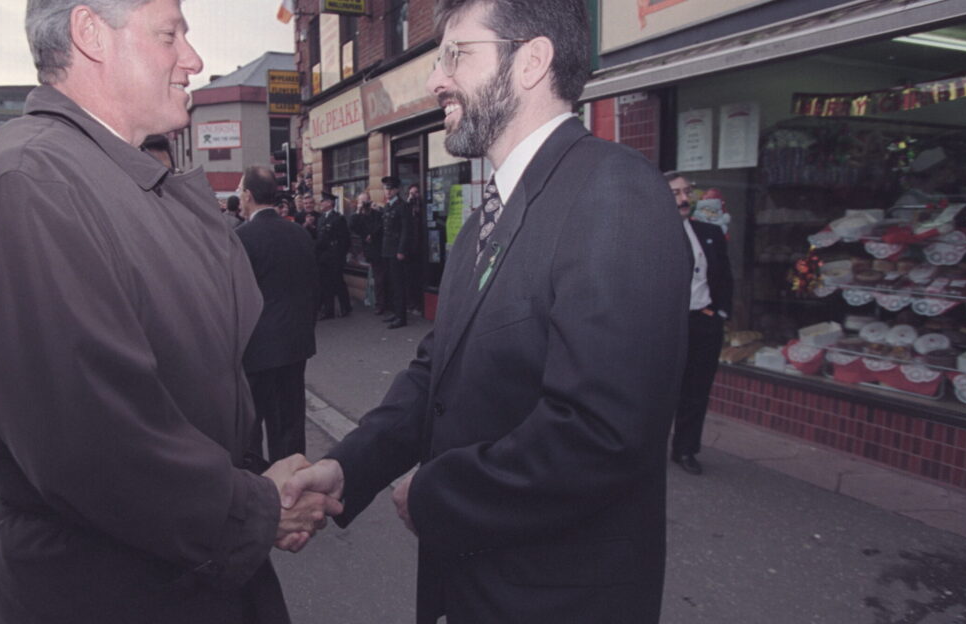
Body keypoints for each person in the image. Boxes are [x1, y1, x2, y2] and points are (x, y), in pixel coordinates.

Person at [0, 1, 340, 621]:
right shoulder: (27, 187)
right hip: (109, 593)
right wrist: (258, 506)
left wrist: (254, 480)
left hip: (177, 578)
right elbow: (95, 444)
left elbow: (188, 388)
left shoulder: (114, 179)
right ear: (90, 33)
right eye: (169, 34)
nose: (192, 59)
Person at [282, 0, 690, 622]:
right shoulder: (482, 222)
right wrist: (348, 465)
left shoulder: (616, 192)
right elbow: (436, 372)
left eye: (456, 55)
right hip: (469, 586)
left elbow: (601, 433)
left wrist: (438, 495)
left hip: (554, 597)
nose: (435, 79)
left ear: (532, 61)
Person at [235, 166, 318, 469]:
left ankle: (262, 493)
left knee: (251, 429)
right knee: (290, 426)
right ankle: (294, 490)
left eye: (240, 192)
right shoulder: (300, 233)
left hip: (255, 349)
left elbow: (236, 297)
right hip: (295, 345)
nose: (239, 200)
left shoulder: (241, 238)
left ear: (249, 195)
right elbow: (313, 287)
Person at [666, 171, 732, 476]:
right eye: (676, 192)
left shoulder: (709, 233)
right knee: (661, 391)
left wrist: (720, 315)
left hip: (703, 323)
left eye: (687, 192)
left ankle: (685, 449)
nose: (683, 199)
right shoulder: (649, 235)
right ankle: (647, 451)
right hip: (666, 327)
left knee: (696, 391)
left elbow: (724, 279)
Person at [379, 176, 411, 329]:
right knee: (391, 283)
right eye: (386, 188)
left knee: (398, 284)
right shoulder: (387, 206)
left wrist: (401, 250)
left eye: (391, 188)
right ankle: (395, 312)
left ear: (397, 190)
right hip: (387, 249)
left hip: (396, 250)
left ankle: (401, 317)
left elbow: (406, 230)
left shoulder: (402, 206)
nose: (388, 191)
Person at [314, 191, 351, 319]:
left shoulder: (338, 218)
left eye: (323, 201)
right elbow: (320, 237)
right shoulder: (321, 218)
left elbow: (345, 239)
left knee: (338, 282)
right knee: (326, 284)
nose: (321, 203)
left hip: (335, 256)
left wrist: (342, 256)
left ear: (329, 203)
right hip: (323, 256)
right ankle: (328, 310)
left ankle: (346, 307)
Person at [348, 191, 386, 314]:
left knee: (381, 278)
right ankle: (379, 303)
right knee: (377, 278)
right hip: (370, 252)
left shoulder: (376, 213)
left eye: (366, 201)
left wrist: (371, 234)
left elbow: (380, 226)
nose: (364, 204)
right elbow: (352, 226)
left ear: (370, 201)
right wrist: (359, 211)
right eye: (361, 202)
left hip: (380, 249)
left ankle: (382, 304)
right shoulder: (358, 216)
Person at [404, 183, 426, 313]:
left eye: (416, 193)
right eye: (411, 193)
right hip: (411, 249)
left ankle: (419, 304)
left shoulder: (423, 207)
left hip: (422, 248)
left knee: (420, 277)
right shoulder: (407, 208)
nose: (414, 196)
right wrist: (408, 204)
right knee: (410, 278)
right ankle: (412, 303)